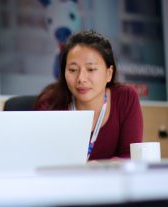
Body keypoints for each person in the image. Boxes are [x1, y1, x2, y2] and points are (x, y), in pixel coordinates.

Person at [35, 30, 143, 160]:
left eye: (91, 69)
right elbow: (37, 159)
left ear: (109, 73)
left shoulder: (126, 98)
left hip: (111, 180)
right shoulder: (49, 104)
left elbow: (131, 157)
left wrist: (100, 168)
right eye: (73, 70)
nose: (81, 78)